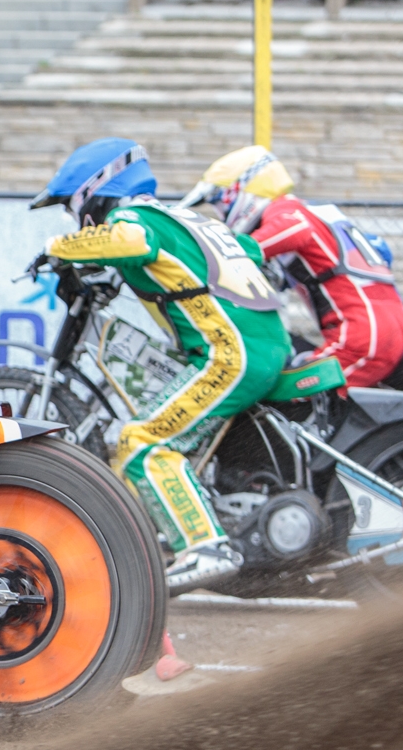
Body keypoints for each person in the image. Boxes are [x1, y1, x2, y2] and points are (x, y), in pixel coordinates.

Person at [32, 139, 291, 590]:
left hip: (228, 353)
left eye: (70, 208)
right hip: (265, 344)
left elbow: (130, 239)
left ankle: (205, 546)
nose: (73, 218)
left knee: (142, 441)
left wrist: (59, 246)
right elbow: (250, 251)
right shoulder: (184, 218)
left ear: (92, 192)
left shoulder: (134, 218)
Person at [182, 146, 403, 390]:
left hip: (362, 334)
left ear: (242, 190)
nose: (221, 213)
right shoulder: (316, 212)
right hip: (387, 328)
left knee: (288, 394)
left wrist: (190, 256)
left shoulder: (289, 215)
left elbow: (235, 253)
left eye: (220, 204)